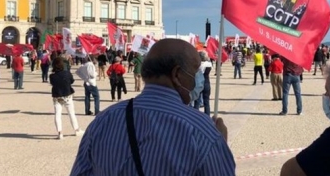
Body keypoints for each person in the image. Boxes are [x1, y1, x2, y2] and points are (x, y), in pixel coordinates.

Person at [70, 38, 235, 175]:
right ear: (177, 74)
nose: (198, 78)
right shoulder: (200, 129)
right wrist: (220, 146)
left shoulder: (103, 120)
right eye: (195, 71)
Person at [49, 57, 84, 140]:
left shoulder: (52, 76)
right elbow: (72, 81)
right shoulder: (67, 73)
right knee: (71, 113)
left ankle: (60, 132)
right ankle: (76, 130)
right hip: (67, 94)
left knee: (57, 114)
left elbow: (52, 83)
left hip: (57, 95)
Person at [194, 51, 212, 115]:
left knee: (197, 101)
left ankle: (195, 115)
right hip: (207, 82)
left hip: (199, 82)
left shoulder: (198, 64)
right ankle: (207, 115)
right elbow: (208, 60)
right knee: (206, 101)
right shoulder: (209, 64)